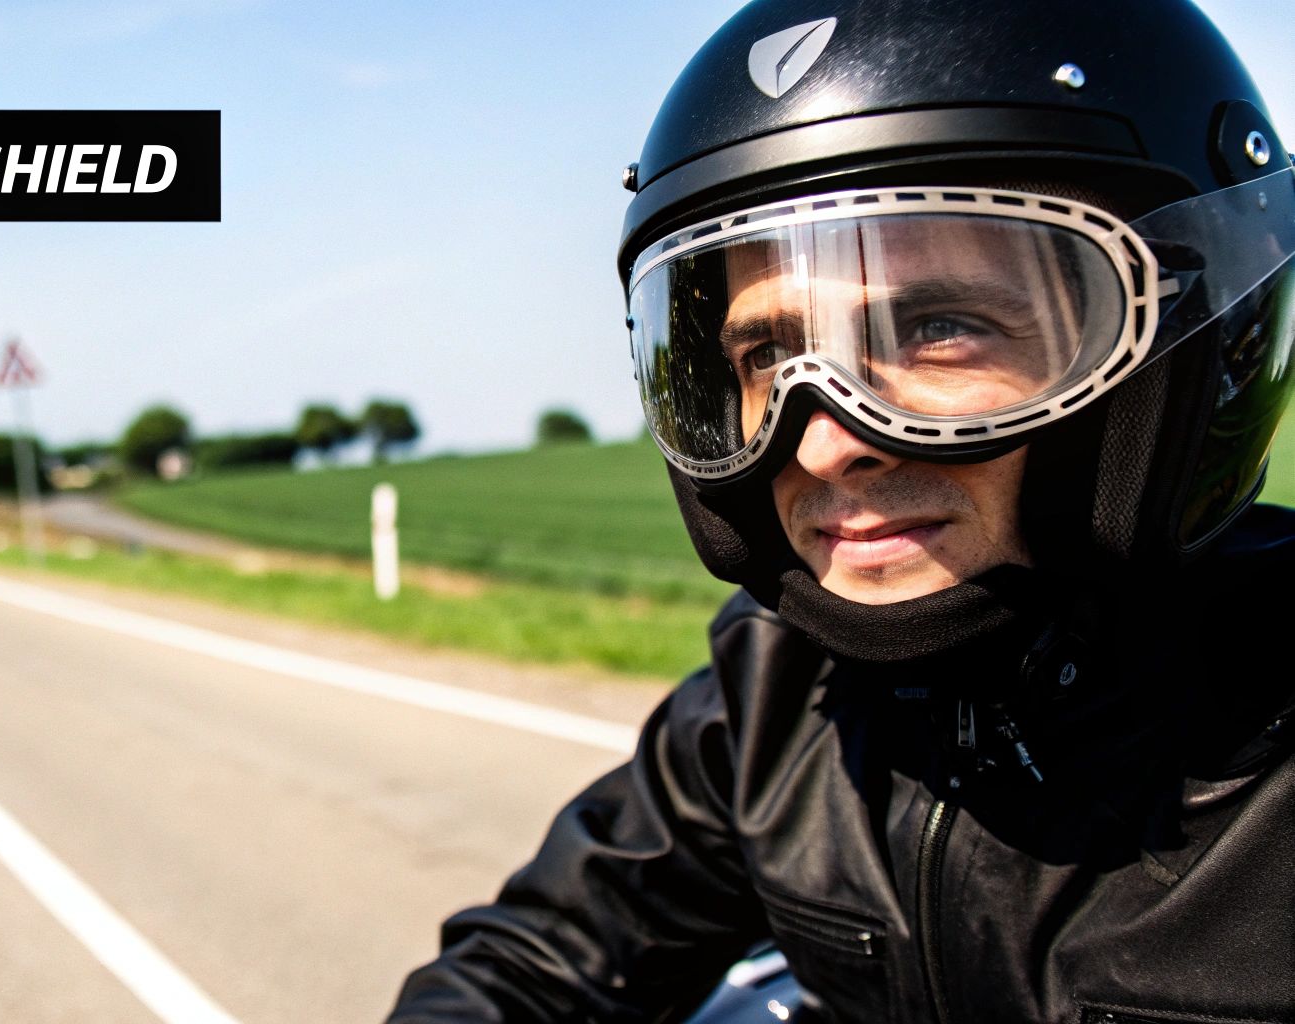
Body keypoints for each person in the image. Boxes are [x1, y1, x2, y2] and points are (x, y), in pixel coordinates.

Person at [387, 0, 1295, 1020]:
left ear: (1192, 345)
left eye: (940, 327)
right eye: (764, 357)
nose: (824, 441)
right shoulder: (778, 689)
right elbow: (539, 960)